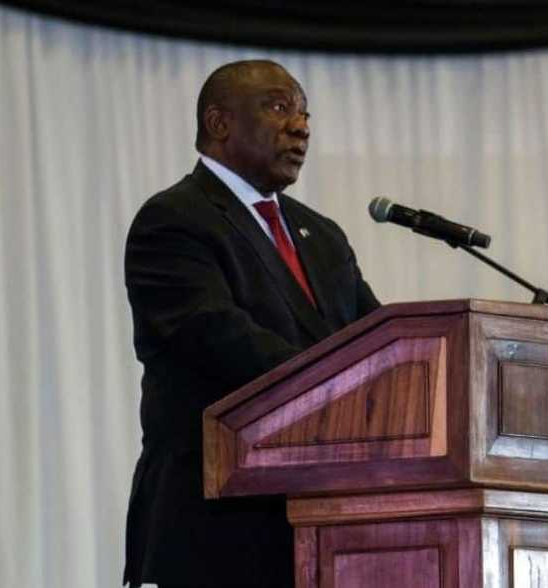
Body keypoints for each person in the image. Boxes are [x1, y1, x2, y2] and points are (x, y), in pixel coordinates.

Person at [122, 60, 380, 588]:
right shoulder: (174, 220)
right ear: (220, 124)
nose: (302, 126)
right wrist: (346, 384)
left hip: (322, 526)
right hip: (216, 528)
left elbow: (375, 342)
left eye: (306, 114)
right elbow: (221, 337)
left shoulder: (322, 234)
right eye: (280, 107)